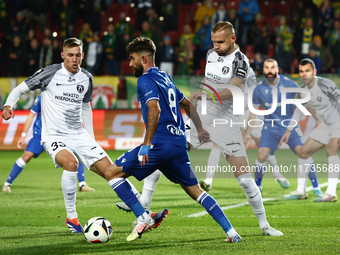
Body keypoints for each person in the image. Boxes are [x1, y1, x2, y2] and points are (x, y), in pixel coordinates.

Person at [118, 22, 283, 238]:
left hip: (227, 122)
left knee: (244, 179)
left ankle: (264, 225)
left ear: (233, 39)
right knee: (167, 148)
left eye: (221, 42)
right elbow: (208, 80)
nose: (216, 46)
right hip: (204, 117)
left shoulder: (241, 60)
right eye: (213, 42)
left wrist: (207, 95)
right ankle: (144, 205)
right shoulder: (211, 55)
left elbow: (234, 89)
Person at [1, 38, 167, 239]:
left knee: (112, 172)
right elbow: (20, 89)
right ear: (63, 55)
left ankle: (144, 215)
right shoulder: (50, 73)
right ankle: (72, 217)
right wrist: (9, 105)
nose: (74, 59)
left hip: (79, 135)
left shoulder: (87, 78)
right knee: (70, 163)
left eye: (78, 55)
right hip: (54, 136)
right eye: (70, 55)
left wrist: (91, 138)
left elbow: (86, 107)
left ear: (82, 55)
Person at [111, 36, 245, 243]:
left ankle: (142, 216)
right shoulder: (166, 78)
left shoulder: (145, 79)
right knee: (196, 192)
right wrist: (200, 130)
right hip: (179, 145)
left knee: (112, 173)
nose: (130, 64)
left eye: (132, 59)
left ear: (144, 59)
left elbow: (154, 110)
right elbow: (188, 105)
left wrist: (147, 145)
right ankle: (232, 233)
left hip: (160, 143)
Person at [199, 67, 287, 193]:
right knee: (217, 144)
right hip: (228, 112)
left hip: (246, 110)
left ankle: (277, 173)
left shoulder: (247, 70)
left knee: (262, 144)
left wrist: (248, 131)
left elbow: (254, 91)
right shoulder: (220, 67)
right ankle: (208, 181)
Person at [244, 59, 322, 198]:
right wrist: (247, 134)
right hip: (270, 127)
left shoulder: (289, 84)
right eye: (267, 68)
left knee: (303, 153)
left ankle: (316, 188)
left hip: (290, 127)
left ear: (277, 69)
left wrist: (318, 120)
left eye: (272, 67)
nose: (269, 70)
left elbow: (306, 103)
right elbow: (253, 112)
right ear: (263, 70)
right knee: (261, 156)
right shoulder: (259, 89)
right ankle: (258, 187)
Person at [2, 94, 95, 193]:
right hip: (41, 134)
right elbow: (31, 115)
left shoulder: (63, 96)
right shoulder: (42, 97)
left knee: (76, 152)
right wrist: (23, 135)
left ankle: (82, 184)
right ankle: (7, 184)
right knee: (27, 156)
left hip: (58, 134)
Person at [280, 58, 340, 202]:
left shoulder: (326, 84)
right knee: (303, 152)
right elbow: (299, 111)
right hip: (326, 126)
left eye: (307, 71)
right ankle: (301, 191)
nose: (304, 74)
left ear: (314, 72)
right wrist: (288, 130)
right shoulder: (303, 91)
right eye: (301, 71)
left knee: (331, 150)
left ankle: (331, 193)